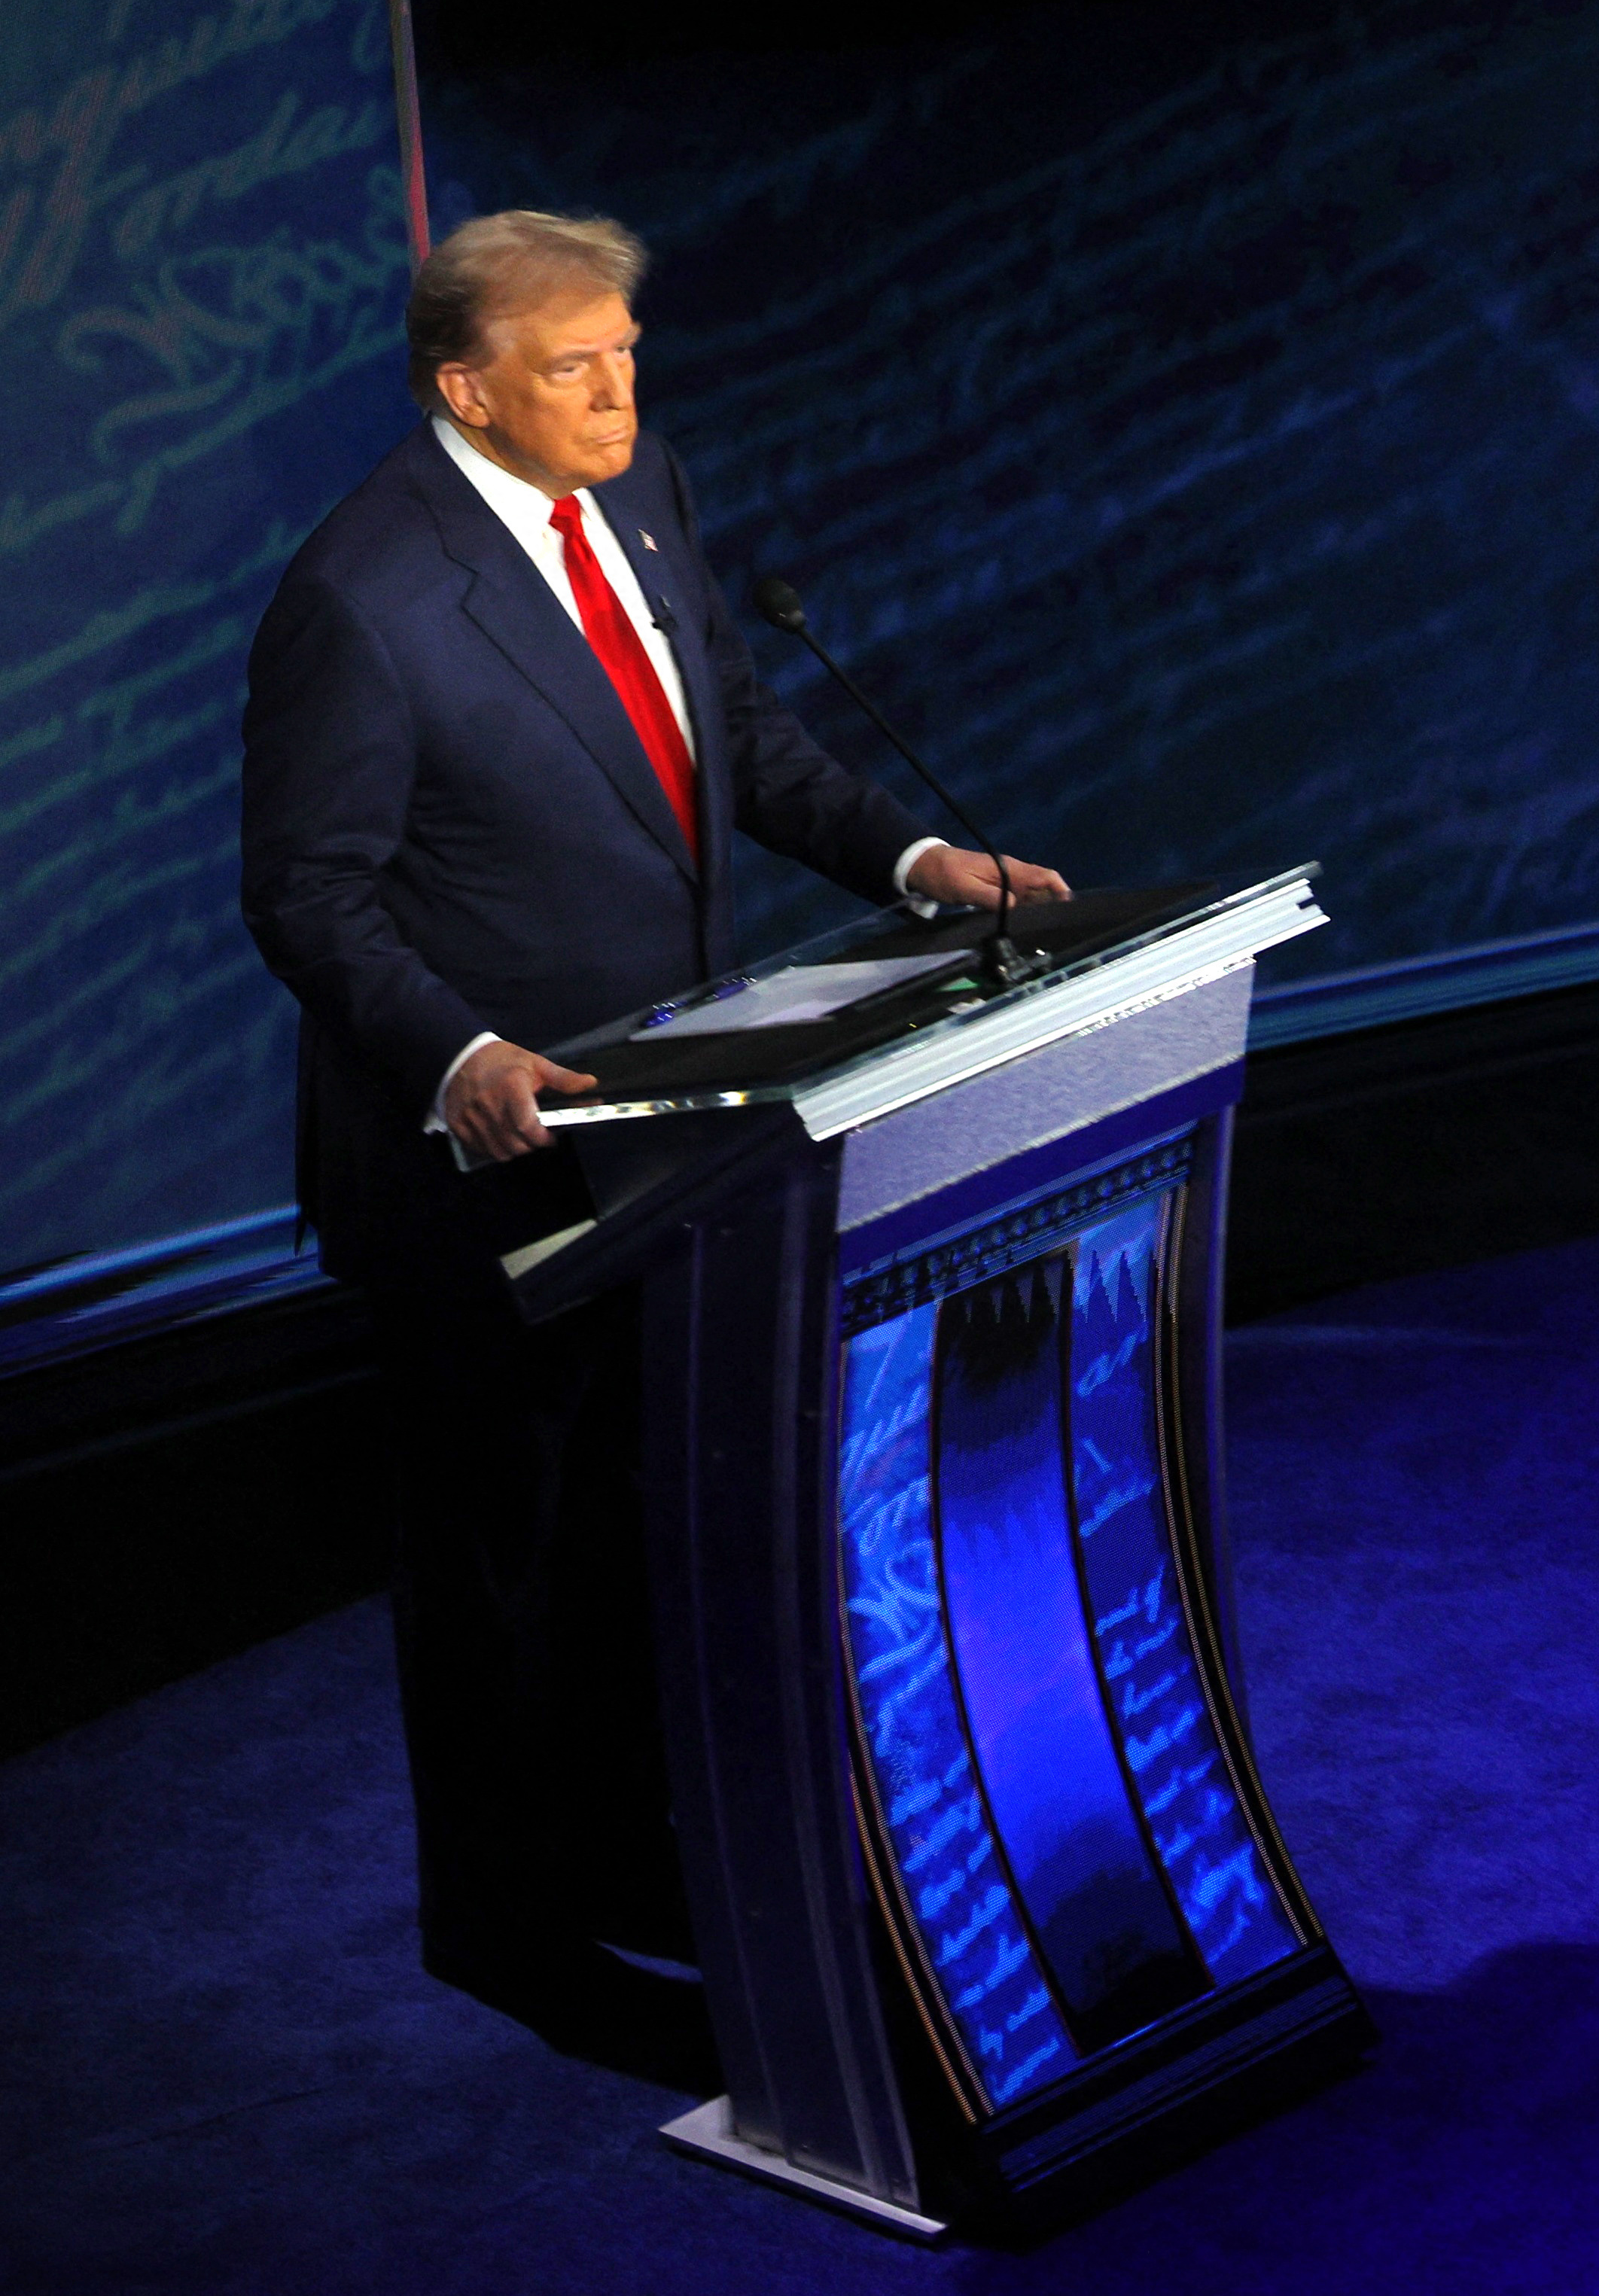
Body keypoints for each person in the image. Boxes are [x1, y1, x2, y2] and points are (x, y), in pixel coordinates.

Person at [237, 209, 1066, 2079]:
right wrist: (458, 1050)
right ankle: (513, 1934)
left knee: (631, 1532)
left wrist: (914, 858)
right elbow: (308, 892)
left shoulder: (644, 485)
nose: (619, 393)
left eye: (627, 353)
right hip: (483, 1166)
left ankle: (633, 1856)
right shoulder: (361, 598)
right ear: (468, 390)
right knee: (502, 1561)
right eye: (575, 366)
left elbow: (733, 736)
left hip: (671, 1128)